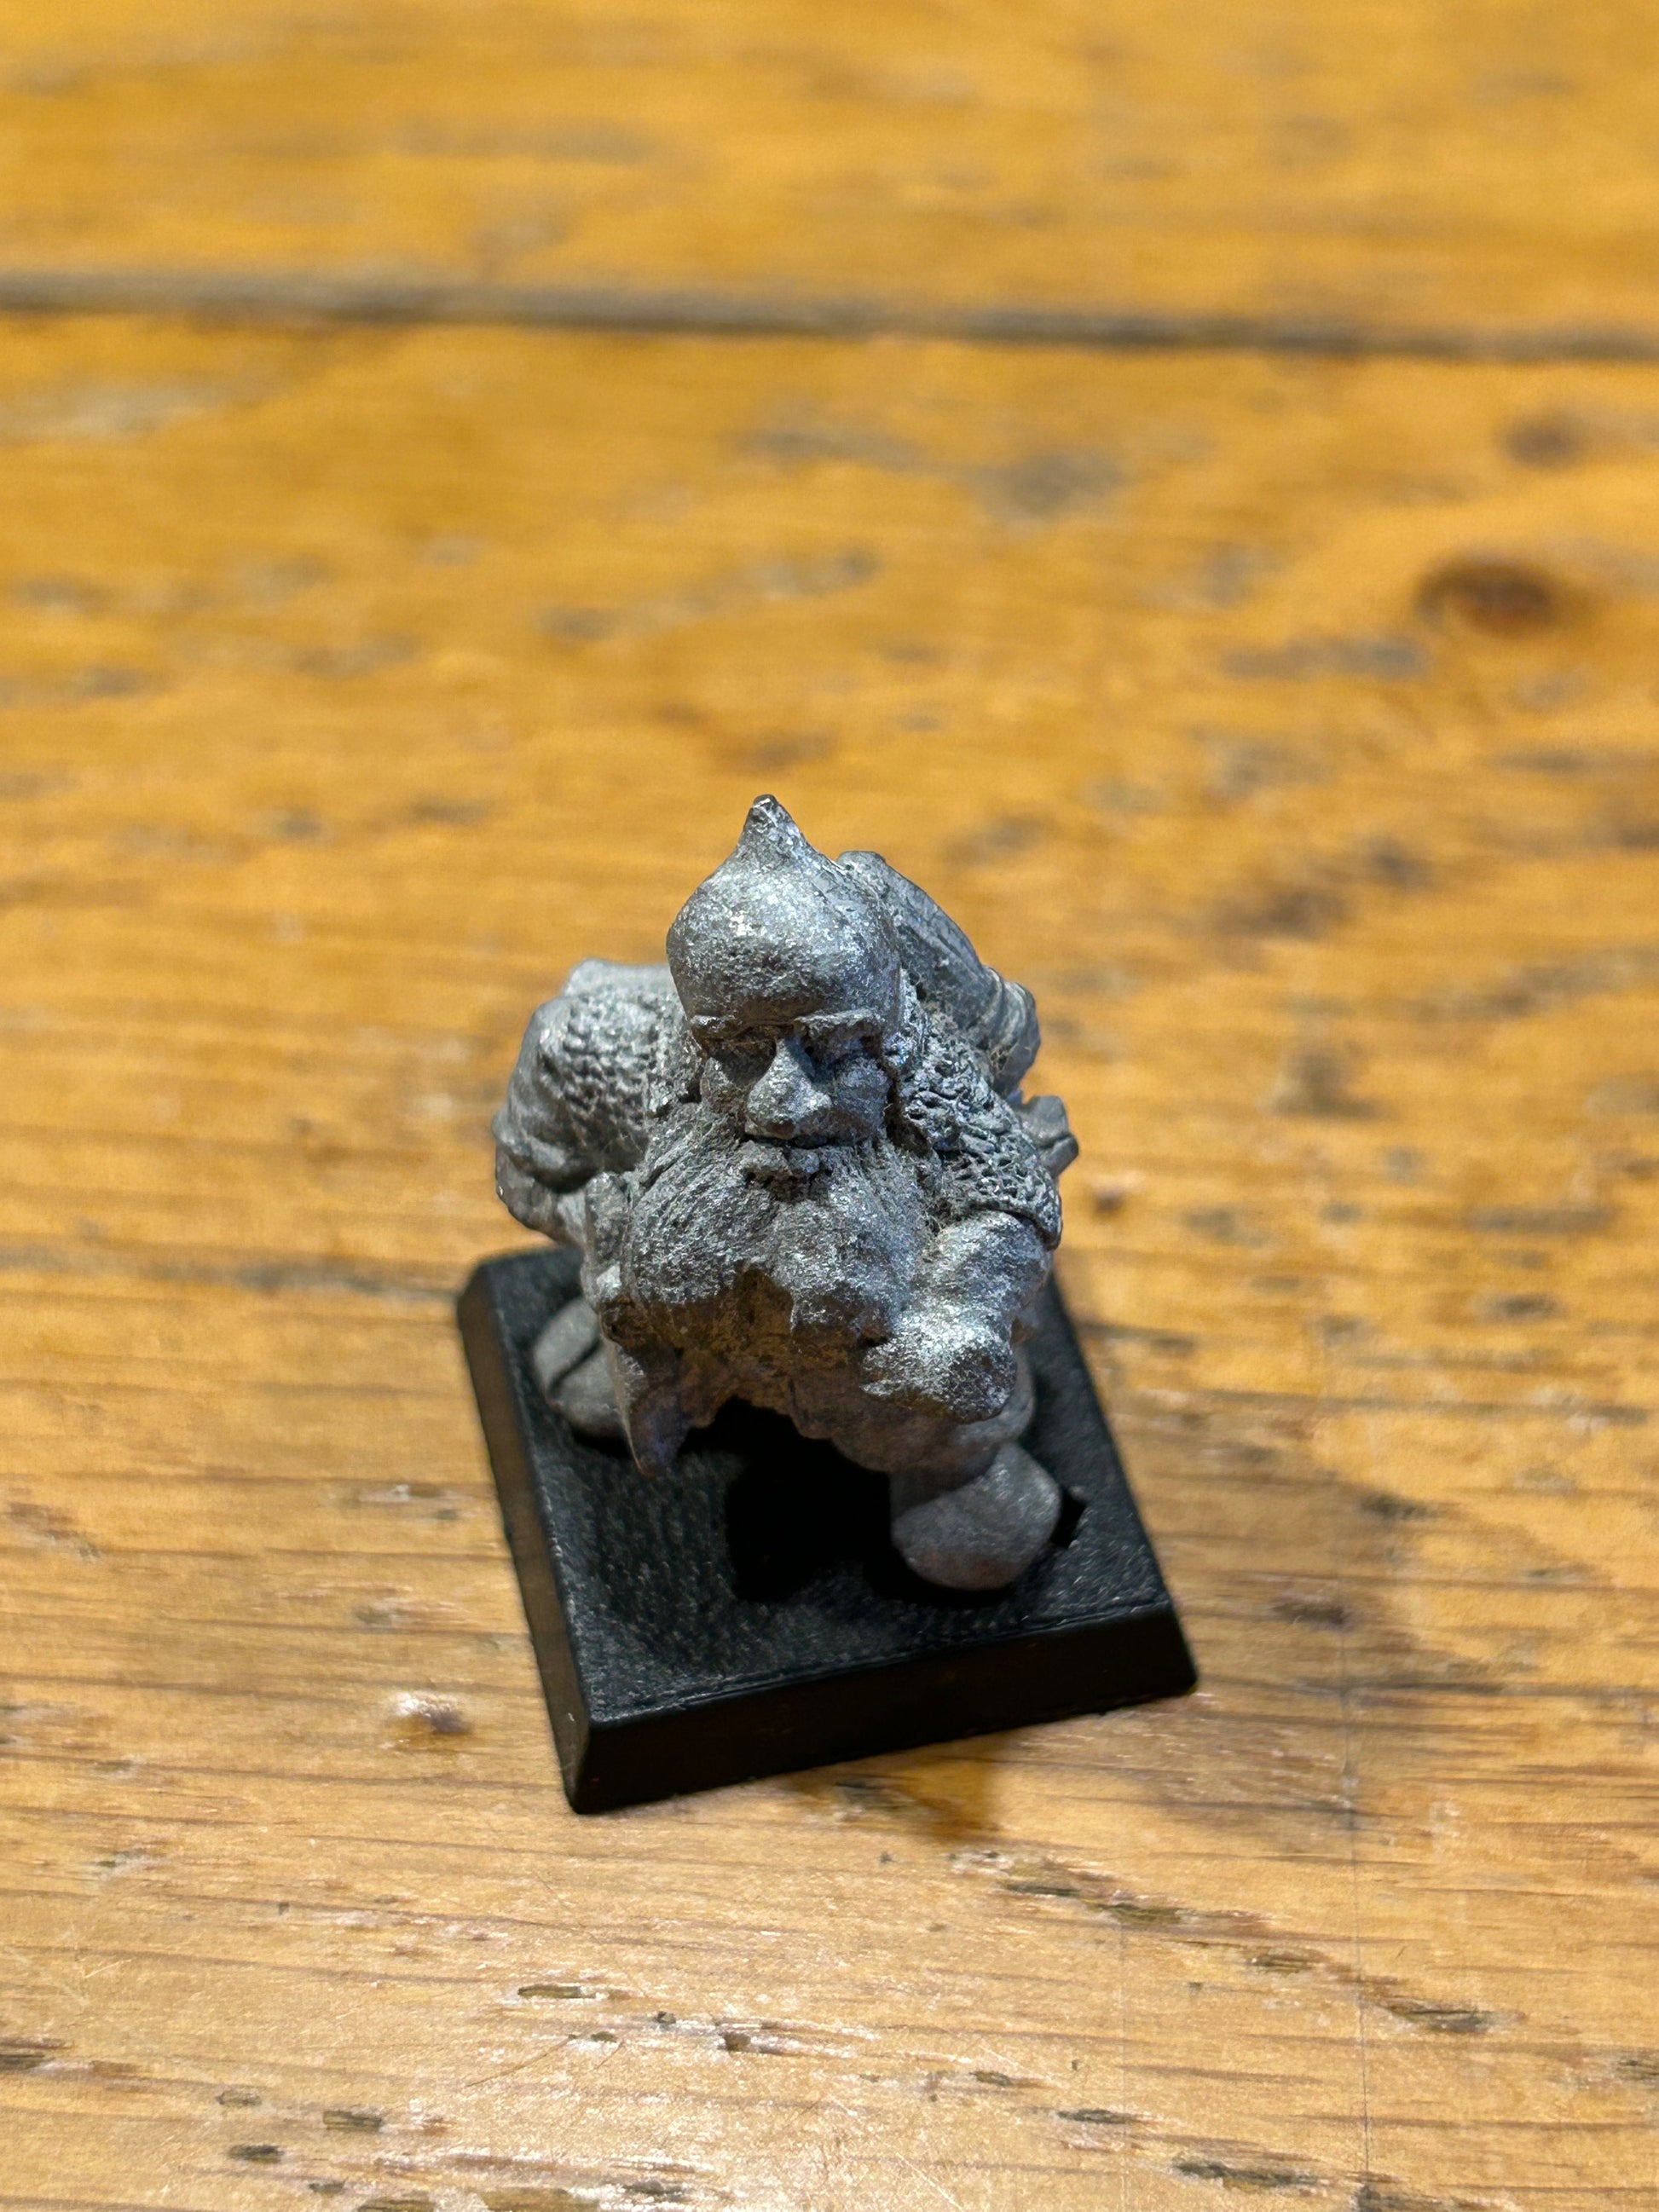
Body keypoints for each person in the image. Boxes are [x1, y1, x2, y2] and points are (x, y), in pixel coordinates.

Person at [493, 797, 1078, 1591]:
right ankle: (674, 1370)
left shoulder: (932, 1076)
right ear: (699, 1036)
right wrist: (610, 1247)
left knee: (937, 1434)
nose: (782, 1102)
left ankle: (953, 1469)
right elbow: (530, 1170)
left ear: (881, 1036)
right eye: (740, 1049)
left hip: (878, 1367)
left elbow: (1012, 1198)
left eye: (830, 1049)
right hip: (688, 1334)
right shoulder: (599, 1056)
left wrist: (959, 1309)